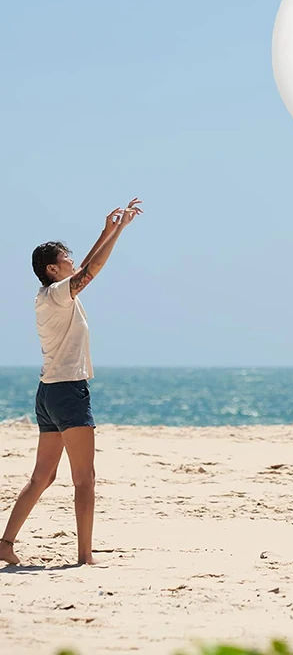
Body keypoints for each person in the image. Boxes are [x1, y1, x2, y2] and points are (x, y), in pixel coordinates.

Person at [0, 199, 143, 566]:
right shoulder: (58, 295)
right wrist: (121, 233)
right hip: (67, 392)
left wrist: (109, 230)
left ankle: (5, 542)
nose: (71, 261)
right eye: (66, 257)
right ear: (51, 268)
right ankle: (84, 557)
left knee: (42, 478)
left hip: (48, 393)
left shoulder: (50, 295)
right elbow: (91, 270)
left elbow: (84, 268)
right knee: (85, 480)